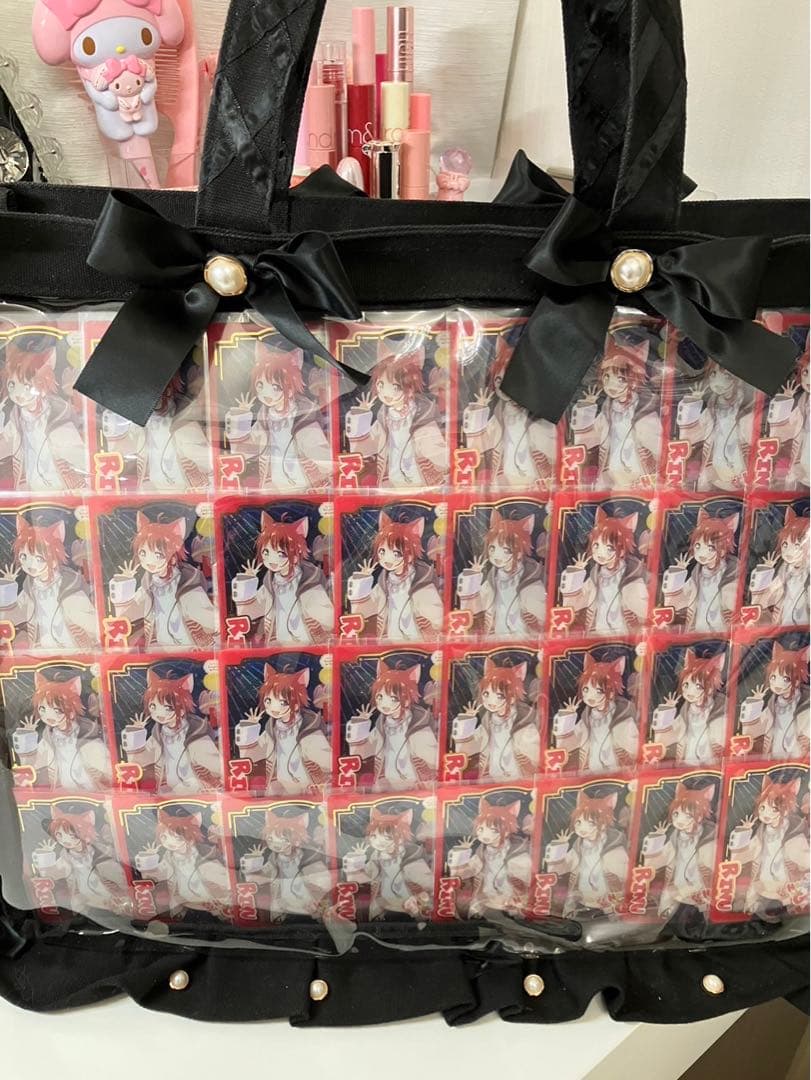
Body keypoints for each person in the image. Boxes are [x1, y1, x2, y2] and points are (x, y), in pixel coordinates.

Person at [225, 341, 331, 490]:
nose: (266, 394)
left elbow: (322, 457)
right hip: (274, 481)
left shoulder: (304, 417)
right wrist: (240, 417)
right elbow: (246, 450)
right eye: (260, 386)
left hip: (306, 481)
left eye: (276, 387)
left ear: (291, 387)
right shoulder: (265, 418)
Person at [345, 339, 447, 487]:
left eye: (395, 388)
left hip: (421, 480)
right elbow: (367, 447)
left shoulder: (422, 415)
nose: (386, 394)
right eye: (381, 385)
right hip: (392, 480)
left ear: (410, 387)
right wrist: (360, 415)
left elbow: (438, 454)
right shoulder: (385, 417)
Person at [462, 336, 557, 489]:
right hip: (504, 480)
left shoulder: (539, 413)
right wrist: (478, 412)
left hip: (537, 478)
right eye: (499, 381)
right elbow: (480, 445)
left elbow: (553, 447)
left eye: (517, 381)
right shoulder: (499, 417)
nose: (508, 390)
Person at [111, 512, 216, 648]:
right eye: (143, 553)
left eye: (158, 555)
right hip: (159, 647)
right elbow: (128, 615)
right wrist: (124, 584)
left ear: (173, 555)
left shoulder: (187, 584)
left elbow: (212, 621)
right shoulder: (149, 585)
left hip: (190, 647)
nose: (149, 562)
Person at [0, 336, 88, 490]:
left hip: (63, 486)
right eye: (12, 385)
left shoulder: (57, 415)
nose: (18, 394)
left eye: (27, 386)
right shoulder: (16, 417)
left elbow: (80, 457)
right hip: (30, 487)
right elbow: (4, 446)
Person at [571, 338, 661, 487]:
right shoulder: (608, 412)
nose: (611, 385)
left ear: (636, 378)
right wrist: (586, 409)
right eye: (607, 377)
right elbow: (588, 440)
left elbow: (660, 450)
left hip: (640, 481)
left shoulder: (645, 412)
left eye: (621, 379)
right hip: (611, 480)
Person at [0, 514, 99, 650]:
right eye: (24, 556)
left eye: (39, 559)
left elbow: (93, 624)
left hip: (73, 649)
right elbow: (14, 616)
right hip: (42, 650)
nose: (30, 565)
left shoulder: (69, 587)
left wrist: (97, 644)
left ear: (54, 559)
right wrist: (7, 588)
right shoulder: (31, 587)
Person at [233, 512, 333, 644]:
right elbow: (250, 611)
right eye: (266, 552)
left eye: (281, 554)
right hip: (278, 642)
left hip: (308, 642)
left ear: (297, 552)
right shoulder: (271, 584)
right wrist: (247, 582)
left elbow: (330, 619)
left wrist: (313, 606)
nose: (272, 560)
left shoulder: (309, 583)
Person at [236, 664, 331, 793]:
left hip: (308, 785)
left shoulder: (308, 729)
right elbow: (254, 755)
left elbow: (327, 761)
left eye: (283, 702)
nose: (274, 709)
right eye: (268, 701)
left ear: (297, 703)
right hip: (281, 786)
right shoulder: (272, 729)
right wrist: (250, 728)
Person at [123, 668, 221, 792]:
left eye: (168, 708)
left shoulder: (196, 735)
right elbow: (141, 760)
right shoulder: (158, 735)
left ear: (183, 708)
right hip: (168, 789)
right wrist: (135, 734)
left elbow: (217, 766)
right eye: (153, 706)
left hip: (197, 788)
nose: (159, 714)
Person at [349, 512, 443, 640]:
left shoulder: (421, 583)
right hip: (389, 638)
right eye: (382, 551)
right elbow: (366, 610)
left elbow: (438, 617)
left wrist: (428, 622)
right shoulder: (385, 582)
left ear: (411, 554)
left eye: (397, 554)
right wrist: (363, 581)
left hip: (417, 639)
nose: (387, 560)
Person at [345, 660, 438, 789]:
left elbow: (435, 761)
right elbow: (363, 753)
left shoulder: (419, 727)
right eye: (380, 697)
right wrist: (360, 725)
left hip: (415, 784)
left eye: (394, 699)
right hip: (386, 783)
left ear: (408, 698)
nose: (384, 704)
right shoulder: (382, 726)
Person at [13, 670, 110, 790]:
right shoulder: (48, 738)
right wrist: (27, 737)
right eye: (42, 709)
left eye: (57, 710)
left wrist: (103, 776)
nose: (49, 716)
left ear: (72, 709)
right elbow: (33, 766)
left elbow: (107, 766)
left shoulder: (88, 735)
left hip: (91, 788)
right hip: (61, 789)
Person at [457, 509, 545, 636]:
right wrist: (472, 580)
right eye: (492, 548)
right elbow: (474, 610)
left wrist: (535, 623)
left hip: (524, 639)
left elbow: (545, 618)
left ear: (519, 553)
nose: (496, 556)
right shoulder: (493, 579)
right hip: (496, 639)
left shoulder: (531, 582)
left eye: (506, 550)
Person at [730, 776, 810, 917]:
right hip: (763, 885)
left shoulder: (794, 833)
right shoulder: (761, 833)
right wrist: (743, 833)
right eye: (763, 807)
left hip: (787, 886)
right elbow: (743, 856)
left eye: (774, 809)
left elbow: (806, 859)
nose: (766, 814)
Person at [544, 788, 629, 919]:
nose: (582, 828)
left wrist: (614, 896)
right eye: (578, 822)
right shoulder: (578, 848)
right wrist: (559, 848)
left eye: (591, 823)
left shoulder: (615, 850)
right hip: (581, 904)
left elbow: (625, 878)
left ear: (604, 823)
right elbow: (557, 871)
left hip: (610, 906)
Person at [561, 507, 649, 633]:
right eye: (596, 546)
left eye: (609, 548)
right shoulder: (596, 577)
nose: (600, 554)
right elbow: (574, 605)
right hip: (598, 633)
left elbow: (645, 612)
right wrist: (575, 575)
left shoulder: (632, 579)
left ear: (622, 550)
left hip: (625, 634)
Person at [451, 657, 539, 779]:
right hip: (491, 778)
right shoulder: (488, 723)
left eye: (499, 696)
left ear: (513, 697)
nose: (490, 701)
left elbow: (537, 757)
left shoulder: (524, 725)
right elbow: (467, 750)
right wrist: (466, 723)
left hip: (520, 779)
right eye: (486, 694)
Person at [342, 804, 433, 920]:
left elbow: (428, 883)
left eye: (388, 838)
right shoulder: (377, 857)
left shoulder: (411, 857)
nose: (378, 842)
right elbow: (364, 877)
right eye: (374, 836)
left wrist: (423, 896)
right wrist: (357, 861)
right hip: (382, 902)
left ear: (402, 836)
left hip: (407, 901)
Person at [641, 780, 717, 917]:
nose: (679, 820)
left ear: (700, 816)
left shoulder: (709, 838)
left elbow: (712, 865)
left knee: (706, 914)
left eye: (688, 816)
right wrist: (656, 841)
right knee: (665, 911)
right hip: (676, 885)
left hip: (700, 887)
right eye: (676, 814)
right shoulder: (675, 837)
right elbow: (657, 862)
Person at [446, 796, 532, 917]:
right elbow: (464, 872)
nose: (485, 835)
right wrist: (462, 854)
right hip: (485, 899)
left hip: (510, 901)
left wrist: (520, 890)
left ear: (508, 830)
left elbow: (526, 878)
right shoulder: (482, 852)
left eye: (494, 831)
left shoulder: (518, 853)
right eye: (481, 829)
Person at [241, 806, 330, 921]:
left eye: (283, 840)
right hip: (284, 902)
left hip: (307, 901)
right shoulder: (274, 858)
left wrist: (319, 897)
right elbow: (263, 876)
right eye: (271, 840)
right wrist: (253, 867)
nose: (275, 845)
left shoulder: (309, 856)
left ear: (297, 841)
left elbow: (323, 880)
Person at [553, 654, 638, 772]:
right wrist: (567, 718)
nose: (590, 696)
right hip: (590, 772)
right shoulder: (587, 719)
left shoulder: (623, 720)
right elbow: (568, 745)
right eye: (586, 689)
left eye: (599, 691)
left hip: (618, 773)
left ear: (612, 692)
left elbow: (636, 749)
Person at [663, 509, 740, 632]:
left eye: (711, 548)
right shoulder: (696, 576)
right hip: (697, 631)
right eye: (698, 546)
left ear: (723, 549)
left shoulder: (731, 575)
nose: (701, 553)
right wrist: (677, 575)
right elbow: (678, 602)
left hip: (723, 632)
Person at [653, 650, 727, 765]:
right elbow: (671, 733)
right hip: (687, 759)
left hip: (711, 760)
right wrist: (667, 711)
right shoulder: (686, 710)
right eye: (686, 685)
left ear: (711, 687)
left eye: (698, 686)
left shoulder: (719, 710)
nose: (689, 692)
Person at [741, 643, 810, 760]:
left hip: (801, 759)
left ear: (798, 679)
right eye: (773, 677)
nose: (777, 684)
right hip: (774, 758)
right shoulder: (773, 705)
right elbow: (753, 731)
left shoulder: (807, 703)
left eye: (786, 679)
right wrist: (754, 704)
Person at [749, 508, 810, 626]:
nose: (788, 551)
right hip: (783, 625)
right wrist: (765, 571)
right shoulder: (784, 572)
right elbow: (762, 601)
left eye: (797, 546)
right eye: (785, 544)